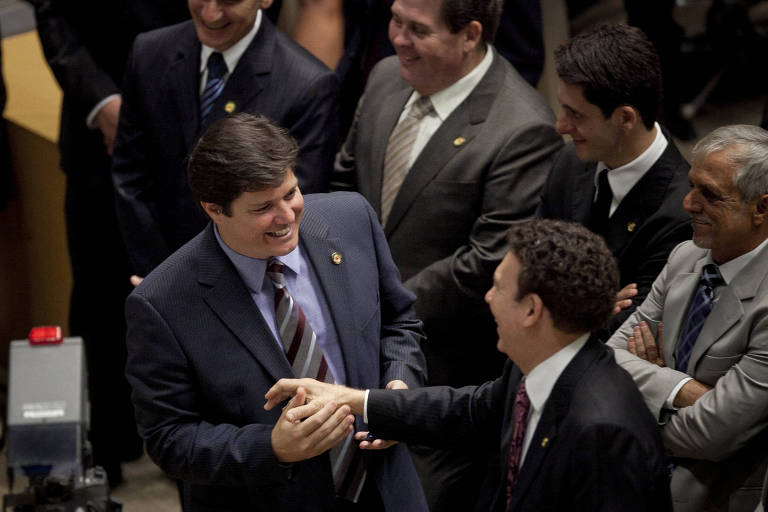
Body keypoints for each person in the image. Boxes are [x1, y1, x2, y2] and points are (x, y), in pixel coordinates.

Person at [124, 114, 428, 512]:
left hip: (386, 490)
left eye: (291, 192)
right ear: (214, 209)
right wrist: (271, 448)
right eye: (264, 207)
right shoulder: (163, 303)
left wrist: (397, 396)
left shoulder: (351, 218)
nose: (287, 216)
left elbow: (399, 322)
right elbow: (169, 437)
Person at [266, 219, 673, 512]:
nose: (489, 299)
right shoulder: (536, 369)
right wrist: (352, 400)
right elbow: (468, 410)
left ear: (532, 310)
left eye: (498, 287)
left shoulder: (605, 432)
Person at [333, 0, 562, 507]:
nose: (397, 38)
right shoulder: (386, 77)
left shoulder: (521, 128)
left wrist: (376, 301)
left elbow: (484, 262)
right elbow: (345, 183)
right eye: (394, 20)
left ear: (470, 35)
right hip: (352, 353)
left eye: (417, 29)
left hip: (443, 378)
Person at [28, 0, 190, 486]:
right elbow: (54, 15)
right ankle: (106, 443)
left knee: (194, 295)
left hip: (195, 120)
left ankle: (192, 443)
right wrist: (101, 102)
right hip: (98, 134)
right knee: (99, 297)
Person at [112, 0, 340, 280]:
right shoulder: (149, 53)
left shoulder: (308, 86)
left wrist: (208, 290)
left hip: (245, 286)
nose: (210, 13)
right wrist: (161, 278)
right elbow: (130, 176)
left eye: (229, 1)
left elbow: (287, 213)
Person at [607, 124, 768, 511]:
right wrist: (684, 389)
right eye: (692, 186)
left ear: (762, 207)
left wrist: (635, 393)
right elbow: (606, 359)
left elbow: (710, 436)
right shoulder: (685, 256)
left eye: (709, 195)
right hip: (630, 477)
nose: (688, 204)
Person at [538, 23, 691, 337]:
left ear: (624, 118)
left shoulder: (681, 213)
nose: (560, 126)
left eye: (576, 114)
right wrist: (590, 309)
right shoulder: (571, 161)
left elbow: (629, 332)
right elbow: (531, 265)